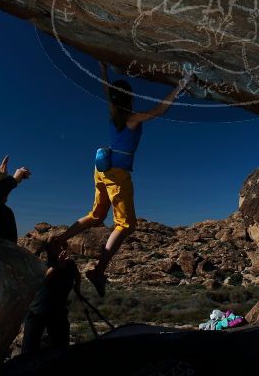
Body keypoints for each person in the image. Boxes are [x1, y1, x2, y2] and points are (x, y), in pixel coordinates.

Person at [48, 61, 189, 296]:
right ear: (129, 98)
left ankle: (59, 240)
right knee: (125, 224)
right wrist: (180, 86)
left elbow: (106, 90)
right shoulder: (131, 119)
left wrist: (103, 69)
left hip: (101, 169)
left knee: (96, 215)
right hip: (117, 175)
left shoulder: (114, 115)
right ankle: (98, 270)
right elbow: (159, 110)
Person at [21, 243, 79, 354]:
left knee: (61, 349)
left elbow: (77, 275)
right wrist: (57, 266)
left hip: (58, 312)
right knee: (28, 351)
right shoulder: (44, 263)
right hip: (37, 312)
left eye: (63, 246)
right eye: (58, 246)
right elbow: (43, 280)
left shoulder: (70, 264)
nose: (62, 249)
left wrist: (77, 286)